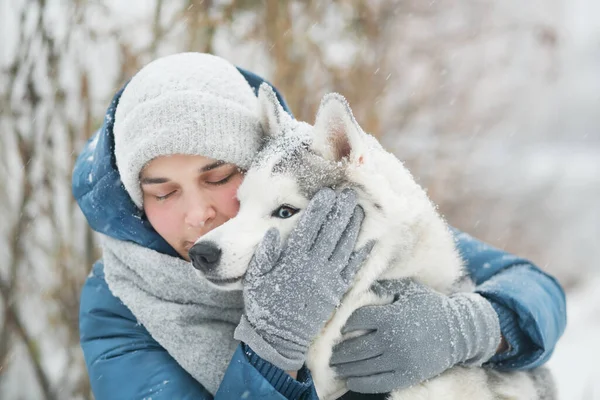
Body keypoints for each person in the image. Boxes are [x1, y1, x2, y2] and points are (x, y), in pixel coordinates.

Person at [73, 53, 566, 400]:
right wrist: (272, 351)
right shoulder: (119, 305)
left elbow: (535, 289)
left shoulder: (339, 227)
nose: (197, 214)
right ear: (138, 200)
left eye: (220, 177)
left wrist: (468, 329)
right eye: (164, 192)